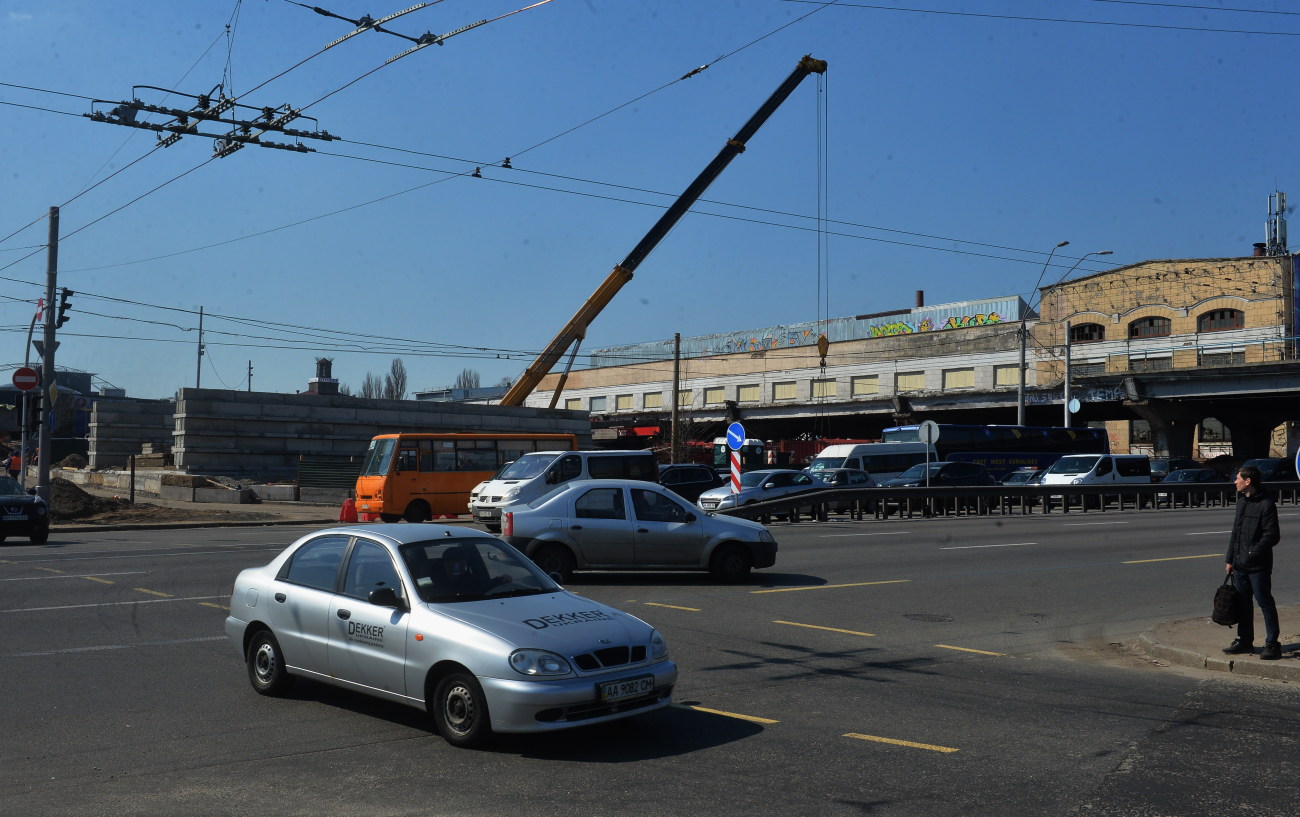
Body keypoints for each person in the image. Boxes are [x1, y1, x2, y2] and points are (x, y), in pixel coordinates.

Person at [1223, 464, 1283, 660]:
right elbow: (1236, 533)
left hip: (1258, 566)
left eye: (1237, 478)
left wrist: (1251, 553)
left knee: (1265, 602)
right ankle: (1245, 640)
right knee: (1243, 604)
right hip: (1239, 565)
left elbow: (1272, 535)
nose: (1235, 481)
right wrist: (1230, 559)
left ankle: (1272, 643)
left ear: (1248, 481)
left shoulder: (1266, 503)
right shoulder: (1242, 502)